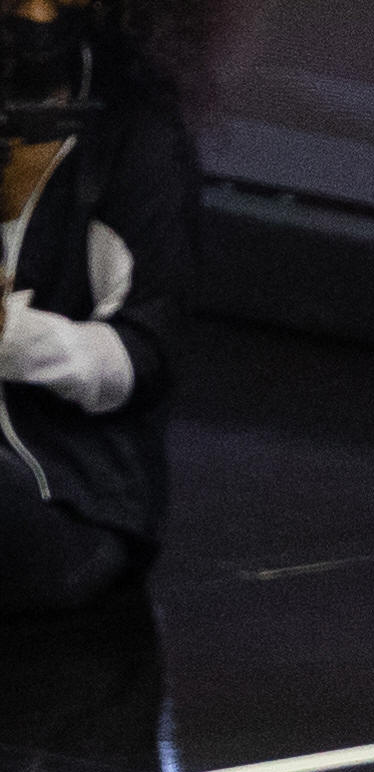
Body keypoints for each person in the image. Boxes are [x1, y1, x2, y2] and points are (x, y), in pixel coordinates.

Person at [0, 0, 202, 614]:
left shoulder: (137, 134)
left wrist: (12, 334)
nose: (35, 16)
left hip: (69, 497)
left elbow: (138, 359)